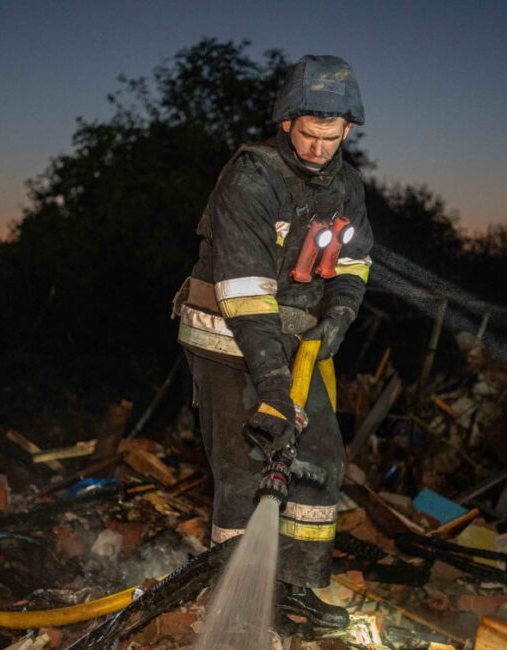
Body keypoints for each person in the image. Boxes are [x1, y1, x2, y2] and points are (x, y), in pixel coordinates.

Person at [172, 55, 372, 630]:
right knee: (246, 467)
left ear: (348, 130)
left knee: (320, 459)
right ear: (286, 122)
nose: (318, 148)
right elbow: (246, 295)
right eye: (308, 135)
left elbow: (354, 264)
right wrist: (275, 389)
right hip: (228, 336)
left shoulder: (347, 187)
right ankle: (235, 603)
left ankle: (294, 591)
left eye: (331, 138)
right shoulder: (251, 177)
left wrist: (338, 319)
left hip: (294, 344)